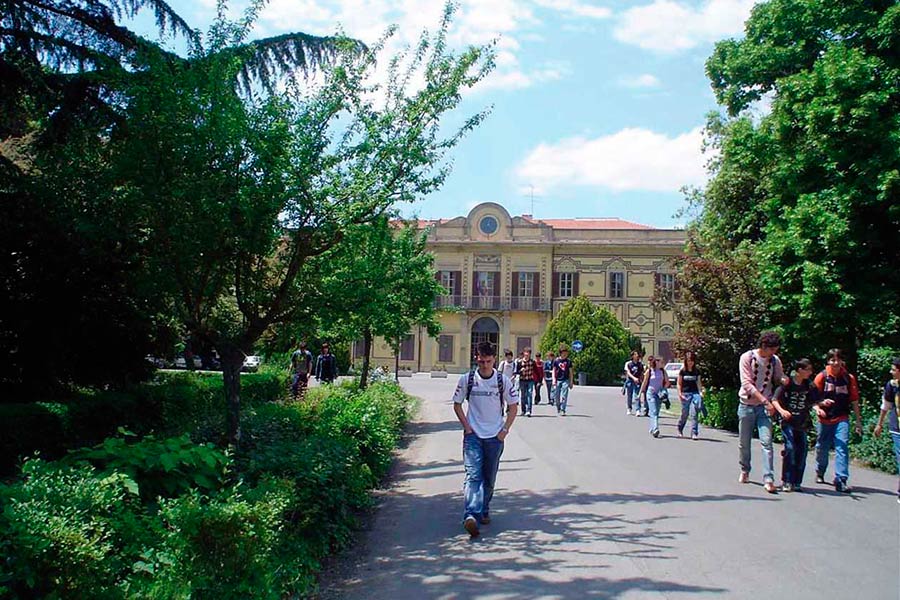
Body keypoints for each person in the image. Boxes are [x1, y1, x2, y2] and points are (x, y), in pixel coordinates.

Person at [452, 341, 519, 538]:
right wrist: (467, 427)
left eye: (488, 361)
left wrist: (504, 431)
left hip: (494, 437)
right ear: (476, 359)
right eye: (481, 361)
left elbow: (514, 407)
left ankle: (484, 508)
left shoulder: (502, 381)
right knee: (473, 476)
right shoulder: (467, 379)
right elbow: (457, 405)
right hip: (473, 436)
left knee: (489, 479)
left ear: (494, 360)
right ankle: (471, 515)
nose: (485, 365)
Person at [737, 331, 785, 494]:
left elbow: (778, 379)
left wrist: (784, 380)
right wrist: (765, 400)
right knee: (744, 443)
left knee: (767, 441)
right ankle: (745, 469)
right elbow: (747, 384)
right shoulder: (747, 358)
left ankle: (768, 478)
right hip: (747, 405)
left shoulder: (775, 361)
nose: (774, 353)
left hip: (765, 408)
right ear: (764, 346)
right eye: (772, 349)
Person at [813, 348, 862, 493]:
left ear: (842, 361)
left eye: (838, 360)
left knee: (842, 446)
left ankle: (841, 479)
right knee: (823, 446)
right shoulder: (821, 377)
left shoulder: (848, 378)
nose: (835, 363)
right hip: (824, 418)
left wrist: (858, 421)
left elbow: (854, 400)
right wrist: (820, 406)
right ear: (828, 361)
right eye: (832, 360)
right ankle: (820, 471)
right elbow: (812, 399)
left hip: (842, 417)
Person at [772, 358, 819, 492]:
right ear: (799, 370)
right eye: (808, 369)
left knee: (802, 450)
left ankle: (797, 482)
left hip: (802, 422)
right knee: (790, 448)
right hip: (788, 422)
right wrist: (782, 411)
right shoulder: (787, 383)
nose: (810, 372)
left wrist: (818, 408)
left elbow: (813, 402)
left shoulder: (809, 385)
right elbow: (775, 399)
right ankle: (787, 481)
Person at [873, 357, 900, 503]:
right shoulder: (892, 385)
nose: (891, 372)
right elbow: (886, 406)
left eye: (894, 370)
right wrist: (879, 424)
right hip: (897, 428)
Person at [640, 355, 669, 438]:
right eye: (661, 362)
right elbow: (644, 383)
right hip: (651, 393)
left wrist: (663, 390)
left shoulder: (663, 371)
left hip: (659, 394)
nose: (662, 364)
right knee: (654, 411)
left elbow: (667, 382)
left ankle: (652, 427)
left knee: (657, 411)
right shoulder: (649, 371)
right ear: (656, 362)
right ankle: (656, 429)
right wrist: (640, 394)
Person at [677, 350, 703, 440]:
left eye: (692, 361)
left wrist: (701, 392)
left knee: (694, 414)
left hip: (694, 394)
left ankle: (694, 433)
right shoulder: (682, 371)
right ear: (686, 361)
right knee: (685, 414)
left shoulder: (697, 371)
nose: (690, 363)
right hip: (685, 394)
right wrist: (680, 394)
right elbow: (679, 384)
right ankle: (680, 428)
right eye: (688, 361)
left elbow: (699, 383)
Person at [552, 345, 574, 416]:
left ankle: (563, 409)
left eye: (566, 354)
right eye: (564, 354)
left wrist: (571, 382)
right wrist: (554, 380)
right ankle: (558, 407)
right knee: (557, 396)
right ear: (560, 353)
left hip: (565, 380)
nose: (565, 355)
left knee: (564, 394)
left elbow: (571, 372)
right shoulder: (556, 361)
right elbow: (554, 370)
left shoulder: (568, 361)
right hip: (558, 380)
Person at [624, 351, 645, 416]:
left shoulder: (640, 364)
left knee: (637, 395)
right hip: (630, 381)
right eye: (635, 354)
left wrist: (641, 380)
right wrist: (633, 378)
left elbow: (641, 373)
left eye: (637, 354)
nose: (637, 356)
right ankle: (629, 408)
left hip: (638, 381)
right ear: (632, 356)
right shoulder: (629, 364)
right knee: (629, 395)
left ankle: (638, 410)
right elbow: (628, 373)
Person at [518, 347, 537, 417]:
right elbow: (517, 371)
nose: (527, 355)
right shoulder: (519, 362)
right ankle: (523, 410)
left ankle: (529, 410)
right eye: (526, 353)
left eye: (528, 353)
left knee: (529, 394)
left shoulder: (532, 362)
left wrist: (538, 380)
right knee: (523, 396)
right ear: (524, 353)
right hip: (522, 380)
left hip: (530, 380)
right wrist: (520, 371)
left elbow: (536, 371)